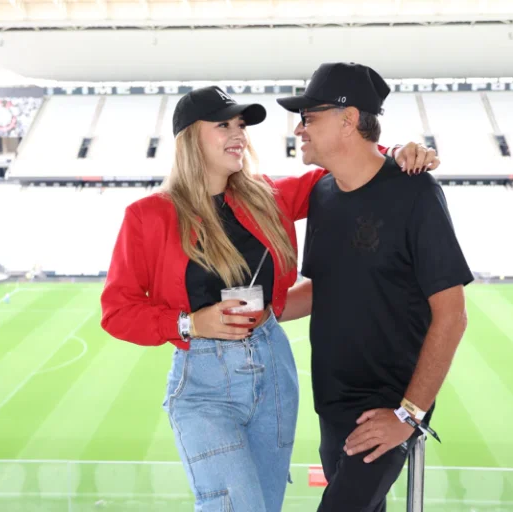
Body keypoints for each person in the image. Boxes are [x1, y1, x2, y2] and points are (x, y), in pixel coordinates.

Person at [100, 85, 439, 512]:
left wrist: (397, 151)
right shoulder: (147, 216)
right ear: (189, 138)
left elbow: (347, 165)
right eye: (223, 125)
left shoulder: (267, 196)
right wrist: (190, 323)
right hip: (204, 383)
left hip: (273, 371)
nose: (238, 134)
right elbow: (117, 312)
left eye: (240, 125)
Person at [278, 62, 473, 512]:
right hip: (332, 402)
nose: (299, 129)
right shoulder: (323, 194)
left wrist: (408, 413)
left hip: (388, 405)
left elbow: (452, 314)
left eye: (308, 117)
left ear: (348, 120)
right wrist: (266, 311)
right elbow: (326, 286)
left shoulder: (416, 193)